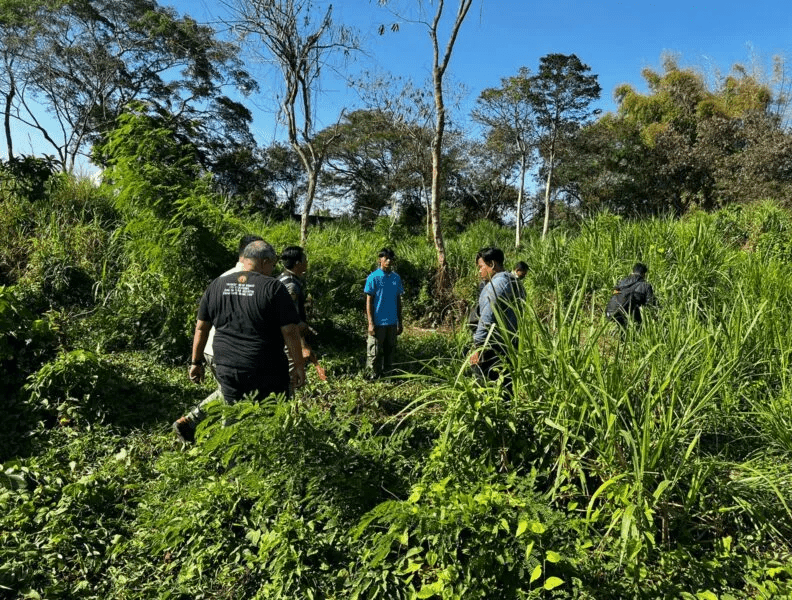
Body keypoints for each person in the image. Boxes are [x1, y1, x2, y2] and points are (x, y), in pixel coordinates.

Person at [173, 240, 305, 443]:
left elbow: (201, 327)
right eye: (272, 264)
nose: (273, 268)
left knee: (232, 411)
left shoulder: (217, 284)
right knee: (275, 412)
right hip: (264, 367)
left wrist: (195, 362)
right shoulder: (273, 288)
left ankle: (228, 457)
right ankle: (272, 453)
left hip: (226, 364)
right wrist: (298, 366)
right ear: (264, 261)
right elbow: (290, 332)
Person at [172, 234, 262, 440]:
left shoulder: (221, 279)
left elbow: (201, 326)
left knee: (227, 391)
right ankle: (226, 447)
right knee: (234, 400)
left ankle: (189, 422)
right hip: (231, 353)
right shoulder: (257, 283)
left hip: (211, 350)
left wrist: (196, 360)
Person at [470, 247, 526, 386]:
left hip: (492, 346)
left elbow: (487, 319)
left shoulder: (496, 285)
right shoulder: (515, 283)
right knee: (506, 384)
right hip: (510, 344)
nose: (479, 271)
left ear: (492, 264)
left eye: (481, 266)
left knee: (487, 385)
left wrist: (478, 347)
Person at [364, 247, 404, 378]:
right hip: (378, 322)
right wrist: (370, 323)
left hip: (391, 322)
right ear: (380, 260)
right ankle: (372, 377)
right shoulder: (373, 277)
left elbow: (398, 301)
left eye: (391, 259)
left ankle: (388, 377)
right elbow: (369, 302)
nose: (388, 261)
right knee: (374, 353)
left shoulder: (396, 278)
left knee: (389, 351)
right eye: (385, 258)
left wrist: (400, 321)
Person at [605, 262, 655, 330]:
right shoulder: (646, 286)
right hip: (627, 315)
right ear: (644, 274)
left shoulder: (621, 282)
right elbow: (650, 305)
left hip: (611, 312)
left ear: (633, 272)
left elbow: (613, 294)